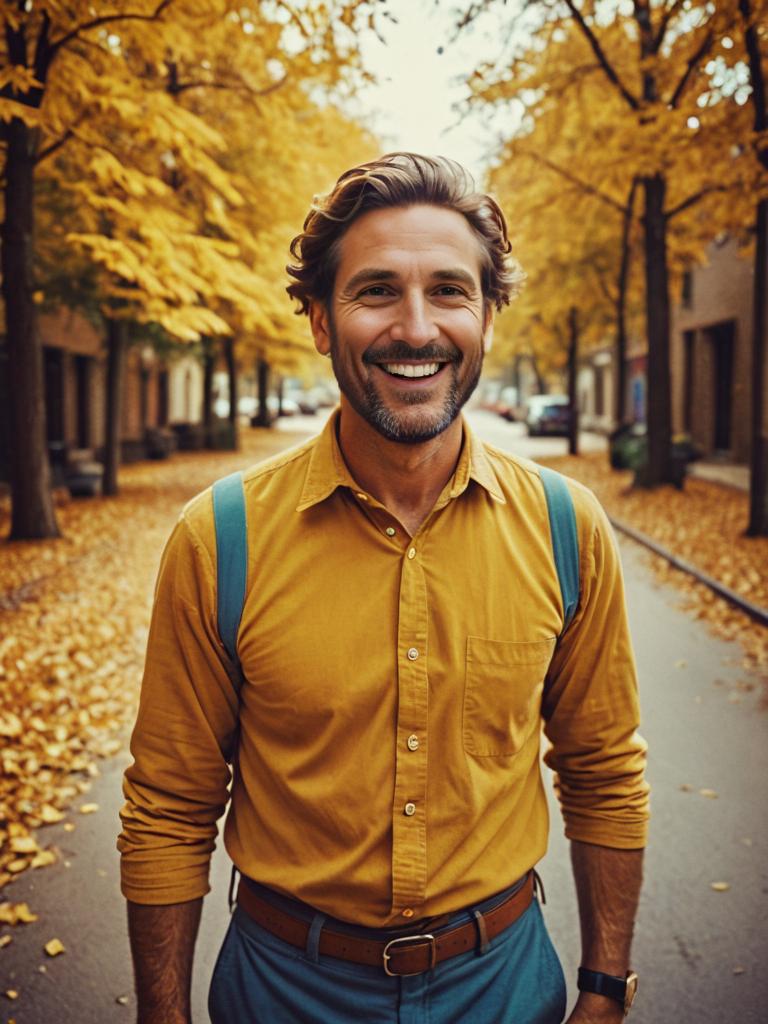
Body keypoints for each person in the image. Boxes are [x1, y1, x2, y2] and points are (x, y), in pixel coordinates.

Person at [119, 153, 649, 1024]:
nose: (416, 328)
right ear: (322, 322)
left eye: (449, 290)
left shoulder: (567, 527)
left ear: (486, 318)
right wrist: (162, 1015)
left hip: (505, 986)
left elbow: (603, 770)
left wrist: (604, 986)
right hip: (282, 990)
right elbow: (169, 806)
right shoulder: (220, 539)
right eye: (375, 291)